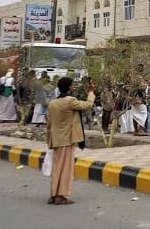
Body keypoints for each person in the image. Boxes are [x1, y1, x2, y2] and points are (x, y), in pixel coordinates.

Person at [46, 76, 95, 205]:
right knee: (66, 168)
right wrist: (90, 92)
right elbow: (88, 105)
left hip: (56, 139)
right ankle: (61, 195)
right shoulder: (70, 101)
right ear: (69, 87)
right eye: (72, 85)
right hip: (67, 139)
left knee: (57, 167)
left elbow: (48, 124)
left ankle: (54, 194)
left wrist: (49, 141)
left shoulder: (52, 103)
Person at [128, 64, 149, 136]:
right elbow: (142, 87)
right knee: (143, 113)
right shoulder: (139, 78)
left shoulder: (133, 78)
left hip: (133, 98)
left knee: (135, 114)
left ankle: (135, 130)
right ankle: (140, 130)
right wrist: (146, 84)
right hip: (139, 98)